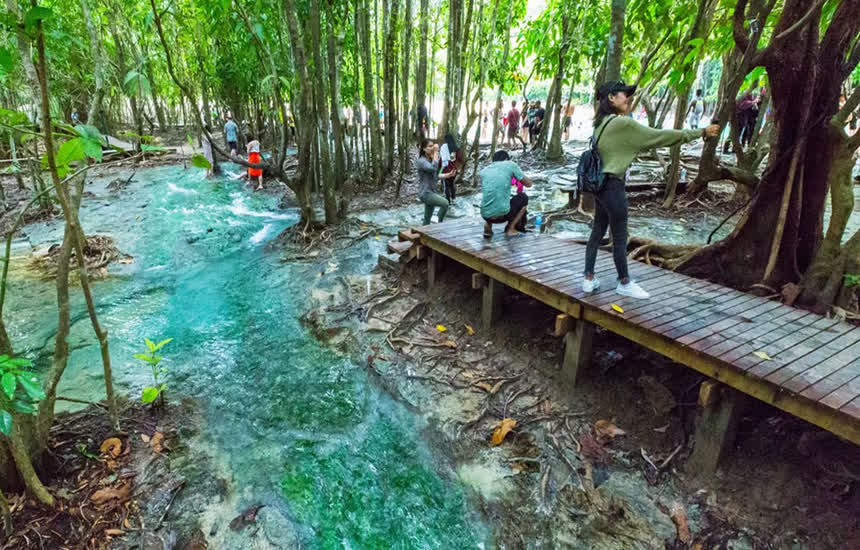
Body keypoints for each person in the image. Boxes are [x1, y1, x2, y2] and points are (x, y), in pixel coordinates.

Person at [583, 80, 720, 299]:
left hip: (598, 187)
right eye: (623, 94)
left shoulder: (599, 125)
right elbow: (660, 136)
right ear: (611, 98)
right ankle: (624, 282)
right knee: (619, 236)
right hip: (613, 187)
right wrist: (700, 132)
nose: (627, 98)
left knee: (597, 231)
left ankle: (588, 279)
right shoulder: (622, 124)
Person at [480, 150, 533, 238]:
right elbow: (529, 184)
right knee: (523, 197)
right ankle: (510, 229)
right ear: (506, 159)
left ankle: (488, 225)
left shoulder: (485, 170)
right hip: (501, 216)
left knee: (491, 196)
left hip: (485, 214)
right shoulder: (510, 165)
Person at [417, 139, 454, 224]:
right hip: (426, 193)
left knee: (427, 219)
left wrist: (448, 175)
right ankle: (439, 222)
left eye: (432, 146)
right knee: (445, 203)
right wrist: (436, 152)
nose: (432, 148)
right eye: (430, 146)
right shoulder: (421, 161)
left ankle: (423, 232)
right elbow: (432, 168)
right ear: (424, 149)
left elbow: (435, 175)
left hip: (431, 192)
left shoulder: (430, 160)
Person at [439, 133, 460, 203]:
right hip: (453, 168)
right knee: (452, 183)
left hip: (446, 168)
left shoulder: (444, 147)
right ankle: (454, 198)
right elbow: (457, 159)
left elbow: (442, 158)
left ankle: (448, 201)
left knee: (447, 185)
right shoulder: (456, 148)